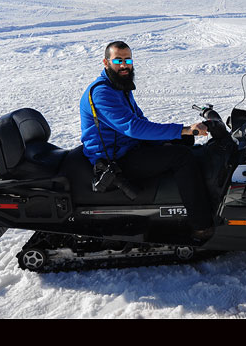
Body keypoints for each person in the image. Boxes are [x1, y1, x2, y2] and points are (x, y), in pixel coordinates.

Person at [79, 40, 214, 240]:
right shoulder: (102, 93)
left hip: (128, 146)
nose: (124, 65)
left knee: (183, 143)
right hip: (116, 159)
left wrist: (181, 135)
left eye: (127, 59)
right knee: (182, 157)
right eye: (118, 60)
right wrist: (183, 129)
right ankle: (201, 226)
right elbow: (133, 128)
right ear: (106, 63)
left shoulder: (119, 87)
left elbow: (140, 120)